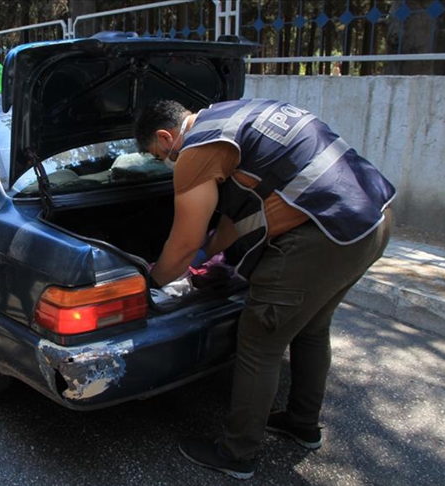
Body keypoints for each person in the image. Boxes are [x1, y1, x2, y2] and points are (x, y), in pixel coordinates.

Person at [134, 99, 396, 479]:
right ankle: (302, 423)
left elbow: (184, 242)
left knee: (259, 340)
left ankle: (237, 453)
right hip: (374, 217)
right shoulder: (236, 115)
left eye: (160, 156)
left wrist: (152, 283)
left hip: (323, 234)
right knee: (311, 326)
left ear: (165, 136)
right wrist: (208, 254)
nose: (166, 163)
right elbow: (234, 219)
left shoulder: (194, 150)